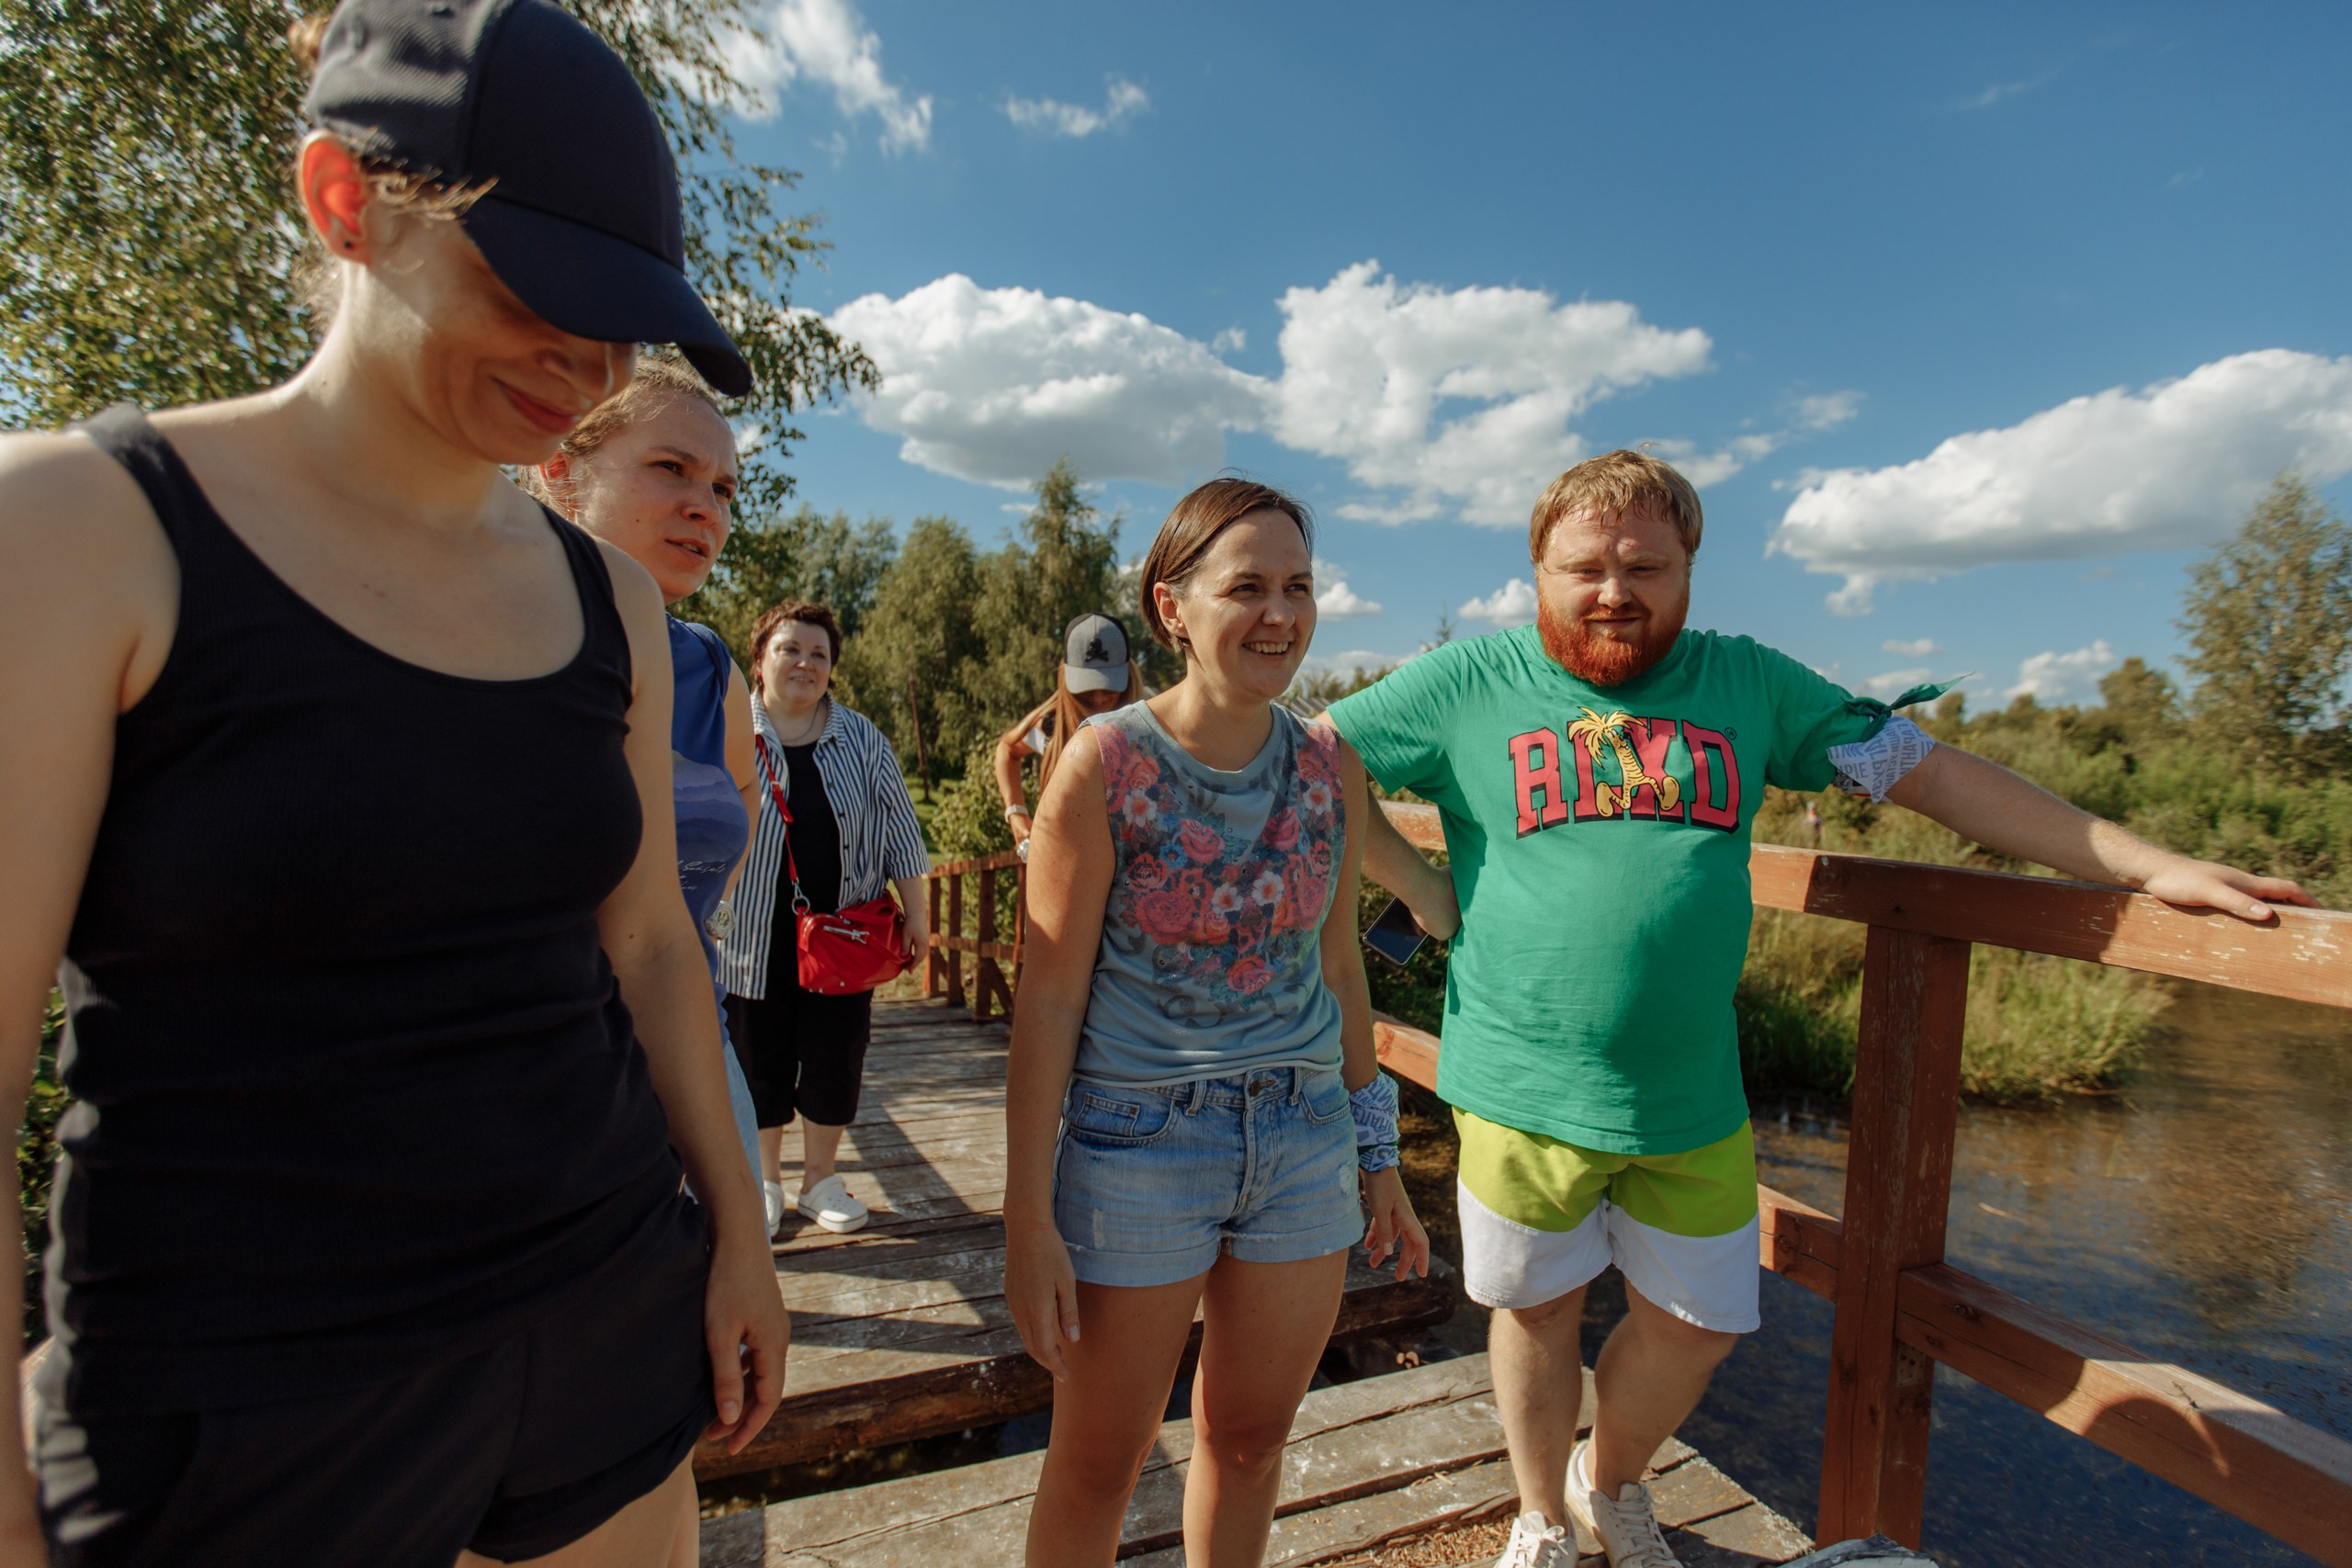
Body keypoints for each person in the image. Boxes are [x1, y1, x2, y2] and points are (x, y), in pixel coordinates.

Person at [0, 0, 792, 1562]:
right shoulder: (82, 531)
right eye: (535, 287)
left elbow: (646, 947)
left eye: (620, 317)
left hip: (601, 1312)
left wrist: (738, 1239)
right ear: (343, 202)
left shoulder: (610, 603)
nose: (585, 363)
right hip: (251, 1401)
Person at [1327, 449, 2314, 1568]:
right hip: (1518, 1082)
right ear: (1537, 571)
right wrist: (1411, 883)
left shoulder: (1746, 683)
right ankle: (1542, 1518)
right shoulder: (1469, 682)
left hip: (1688, 1094)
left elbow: (1926, 774)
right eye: (1583, 567)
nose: (1613, 591)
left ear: (1687, 568)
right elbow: (1314, 755)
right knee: (1537, 1312)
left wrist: (2142, 865)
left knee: (1702, 1325)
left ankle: (1610, 1482)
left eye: (1644, 565)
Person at [1003, 479, 1431, 1568]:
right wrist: (1025, 1219)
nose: (1279, 614)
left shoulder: (1332, 765)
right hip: (1137, 1146)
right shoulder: (1104, 766)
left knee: (1247, 1443)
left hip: (1301, 1142)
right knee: (1099, 1461)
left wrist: (1377, 1157)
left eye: (1297, 586)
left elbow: (1341, 970)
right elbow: (1047, 997)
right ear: (1171, 609)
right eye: (1246, 586)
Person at [526, 352, 768, 1205]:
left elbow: (744, 791)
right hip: (525, 1079)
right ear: (562, 471)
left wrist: (696, 895)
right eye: (671, 467)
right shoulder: (484, 641)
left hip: (690, 1040)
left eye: (725, 489)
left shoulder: (709, 668)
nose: (704, 506)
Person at [721, 601, 932, 1236]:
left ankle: (820, 1179)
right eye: (789, 649)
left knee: (837, 1053)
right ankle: (765, 1180)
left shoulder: (862, 738)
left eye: (819, 654)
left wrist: (918, 916)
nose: (804, 663)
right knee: (759, 1053)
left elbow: (902, 831)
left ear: (832, 669)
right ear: (759, 660)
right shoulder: (730, 730)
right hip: (750, 933)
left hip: (843, 937)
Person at [995, 612, 1147, 854]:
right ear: (1065, 675)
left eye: (1108, 685)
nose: (1097, 698)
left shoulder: (1151, 721)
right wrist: (1016, 813)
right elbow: (1007, 750)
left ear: (1128, 674)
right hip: (1063, 868)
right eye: (1086, 688)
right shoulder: (1051, 727)